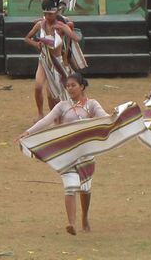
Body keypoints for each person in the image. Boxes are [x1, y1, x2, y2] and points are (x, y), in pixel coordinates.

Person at [17, 73, 108, 235]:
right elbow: (46, 121)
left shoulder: (92, 105)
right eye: (68, 86)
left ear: (82, 87)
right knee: (70, 187)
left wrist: (117, 116)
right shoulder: (62, 106)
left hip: (86, 153)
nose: (70, 88)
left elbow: (106, 119)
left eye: (73, 85)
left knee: (85, 188)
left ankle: (85, 217)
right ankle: (71, 223)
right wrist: (28, 132)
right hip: (67, 153)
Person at [24, 0, 82, 118]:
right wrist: (37, 44)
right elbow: (27, 38)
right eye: (45, 14)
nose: (47, 17)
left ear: (56, 13)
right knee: (38, 86)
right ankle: (40, 114)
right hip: (44, 60)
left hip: (58, 62)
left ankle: (54, 117)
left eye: (50, 14)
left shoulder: (61, 26)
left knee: (52, 95)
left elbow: (76, 38)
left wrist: (67, 29)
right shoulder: (40, 24)